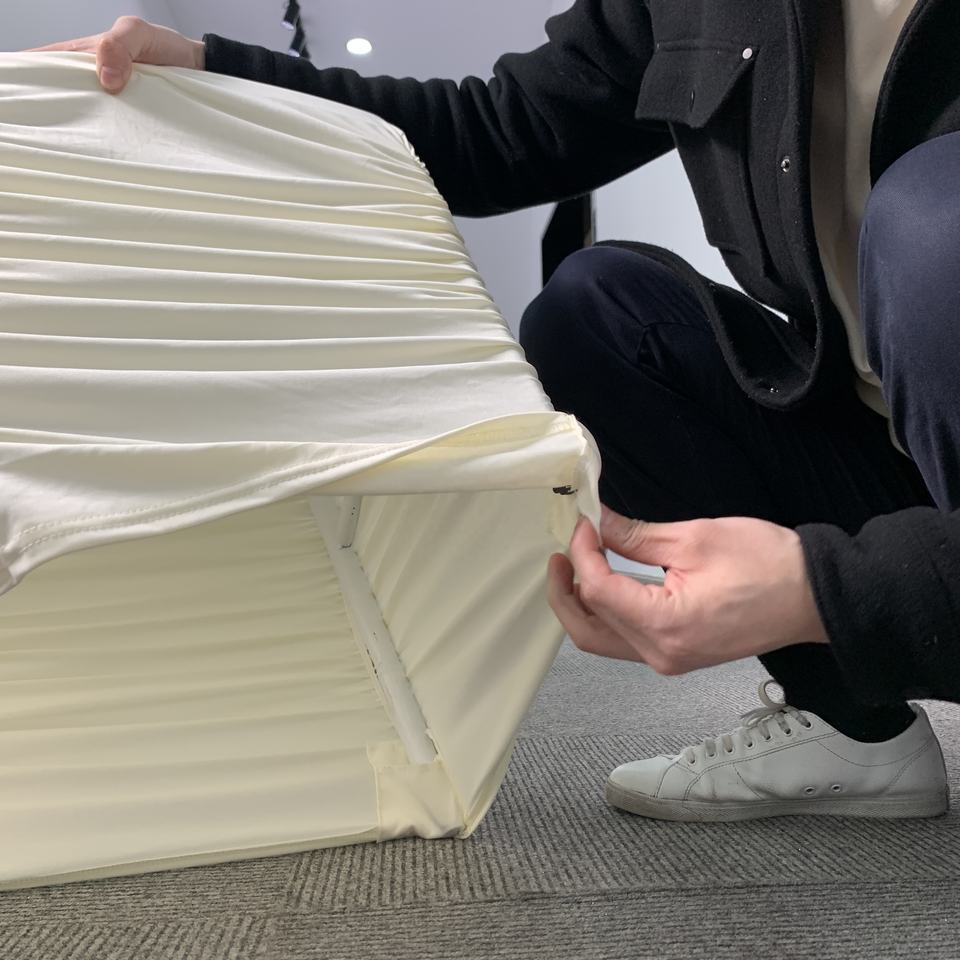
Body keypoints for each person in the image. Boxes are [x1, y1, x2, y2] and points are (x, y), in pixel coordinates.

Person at [33, 1, 960, 823]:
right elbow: (499, 131)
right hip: (889, 446)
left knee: (937, 222)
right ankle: (855, 730)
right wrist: (219, 77)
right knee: (594, 315)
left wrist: (825, 589)